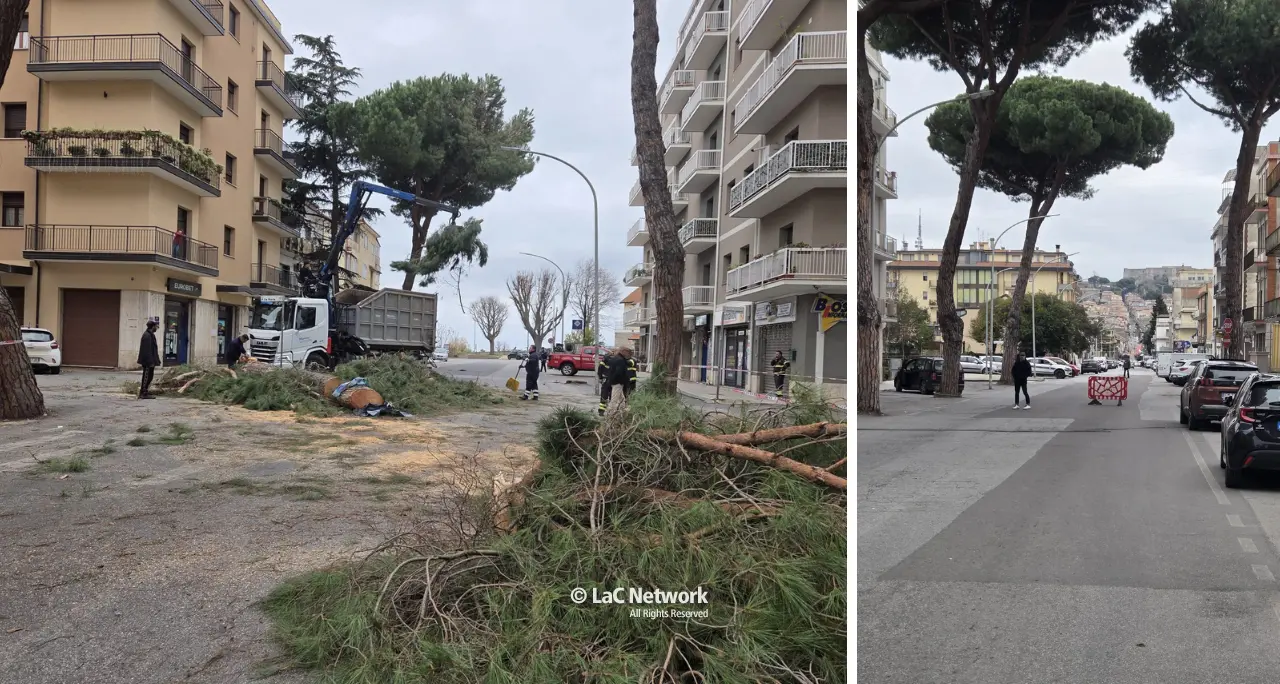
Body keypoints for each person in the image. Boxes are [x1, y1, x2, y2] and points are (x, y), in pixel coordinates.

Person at [598, 347, 634, 416]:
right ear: (624, 352)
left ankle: (623, 413)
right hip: (617, 383)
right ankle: (610, 414)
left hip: (616, 382)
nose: (628, 355)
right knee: (614, 399)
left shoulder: (617, 359)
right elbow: (618, 372)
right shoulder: (620, 360)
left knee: (622, 399)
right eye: (627, 353)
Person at [137, 319, 161, 400]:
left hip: (151, 360)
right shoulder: (147, 336)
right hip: (147, 361)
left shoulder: (151, 335)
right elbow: (147, 350)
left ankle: (145, 391)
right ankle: (143, 393)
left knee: (150, 376)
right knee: (146, 376)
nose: (156, 328)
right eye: (156, 327)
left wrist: (156, 360)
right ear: (152, 326)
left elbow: (153, 349)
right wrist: (150, 362)